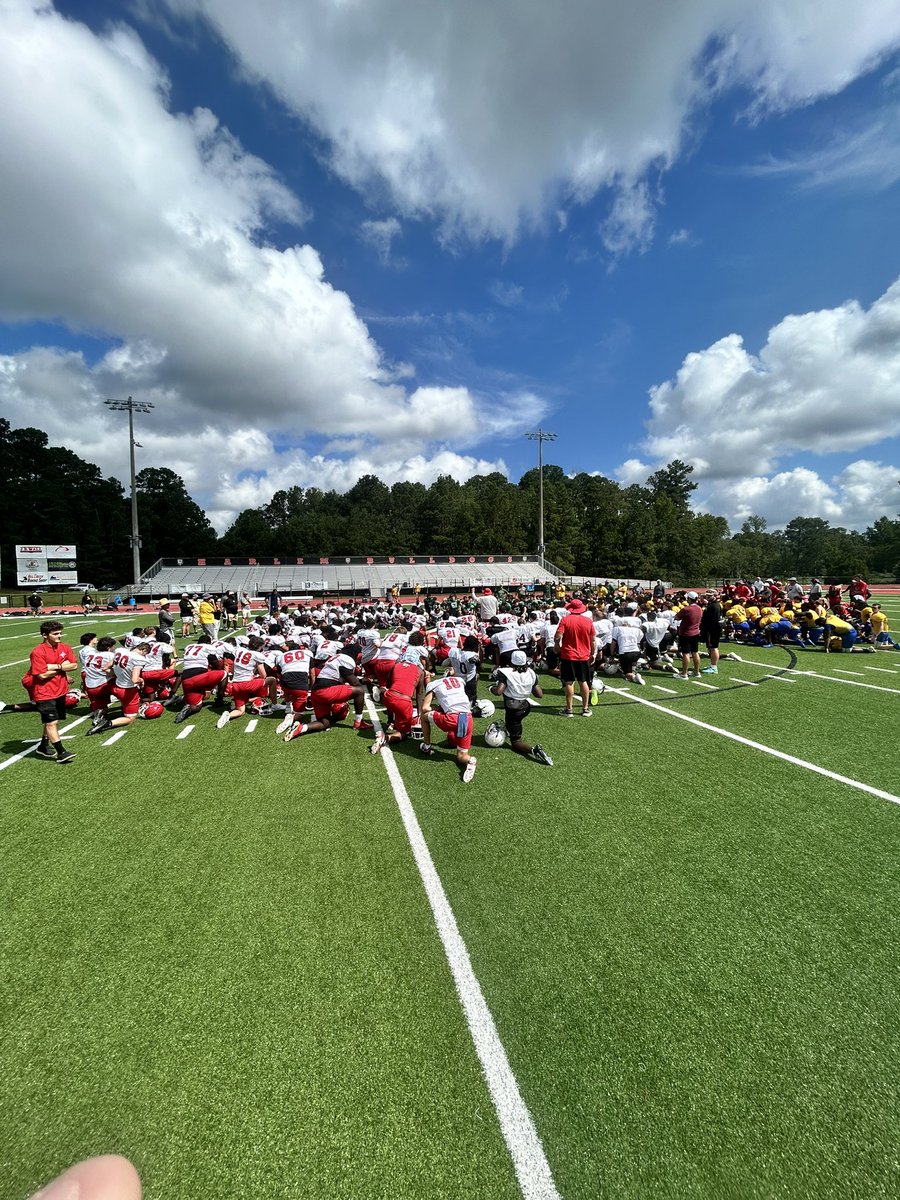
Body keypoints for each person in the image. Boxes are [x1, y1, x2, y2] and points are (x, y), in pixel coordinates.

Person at [490, 650, 552, 765]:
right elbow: (539, 694)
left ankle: (534, 750)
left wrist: (491, 689)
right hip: (525, 706)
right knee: (512, 723)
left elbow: (498, 692)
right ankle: (510, 729)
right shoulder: (531, 673)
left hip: (513, 709)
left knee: (516, 742)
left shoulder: (506, 672)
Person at [27, 621, 78, 762]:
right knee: (51, 722)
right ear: (44, 635)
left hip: (60, 690)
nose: (59, 636)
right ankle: (61, 752)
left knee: (52, 721)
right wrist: (62, 667)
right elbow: (41, 675)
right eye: (55, 634)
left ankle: (43, 745)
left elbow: (73, 665)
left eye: (60, 633)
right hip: (44, 692)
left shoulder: (65, 647)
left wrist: (53, 667)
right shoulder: (38, 652)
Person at [419, 673, 477, 782]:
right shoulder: (459, 680)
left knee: (424, 717)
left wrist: (437, 708)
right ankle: (470, 760)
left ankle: (426, 746)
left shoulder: (433, 685)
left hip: (452, 719)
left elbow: (425, 708)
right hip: (467, 718)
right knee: (461, 757)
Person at [554, 597, 597, 716]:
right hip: (583, 655)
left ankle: (569, 709)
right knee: (583, 681)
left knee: (569, 682)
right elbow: (593, 640)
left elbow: (558, 636)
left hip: (568, 654)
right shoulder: (588, 621)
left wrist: (557, 645)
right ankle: (585, 708)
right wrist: (592, 653)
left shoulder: (565, 620)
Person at [675, 592, 703, 679]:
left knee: (686, 653)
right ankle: (696, 672)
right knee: (695, 652)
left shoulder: (686, 609)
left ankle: (684, 674)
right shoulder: (699, 608)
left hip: (686, 633)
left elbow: (677, 617)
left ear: (689, 599)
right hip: (695, 632)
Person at [699, 591, 723, 675]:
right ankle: (712, 665)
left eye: (710, 595)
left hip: (713, 630)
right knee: (711, 648)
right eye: (707, 595)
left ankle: (714, 667)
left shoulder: (714, 606)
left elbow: (713, 620)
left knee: (713, 648)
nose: (708, 597)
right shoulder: (712, 604)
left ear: (715, 596)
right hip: (711, 629)